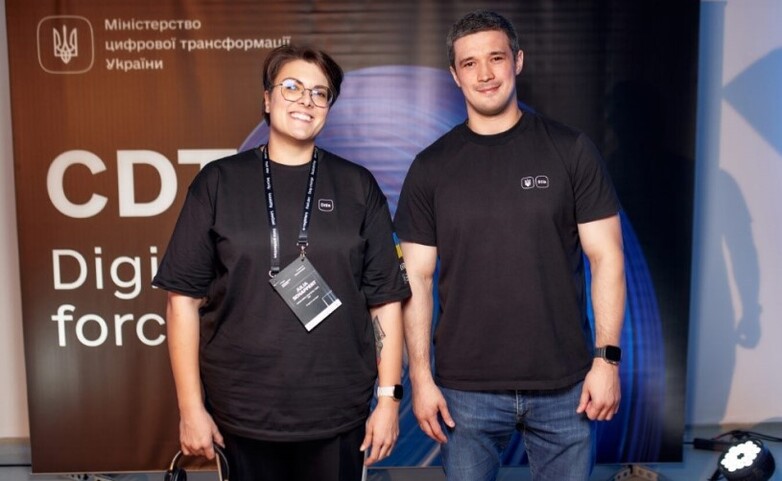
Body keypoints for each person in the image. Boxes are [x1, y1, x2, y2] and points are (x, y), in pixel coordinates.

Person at [153, 44, 410, 481]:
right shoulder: (218, 182)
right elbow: (182, 303)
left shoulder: (357, 186)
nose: (305, 101)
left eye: (319, 93)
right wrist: (190, 408)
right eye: (291, 87)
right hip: (242, 413)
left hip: (337, 412)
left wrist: (388, 399)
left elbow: (384, 301)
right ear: (267, 99)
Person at [394, 10, 626, 481]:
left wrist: (607, 360)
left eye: (496, 58)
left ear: (517, 61)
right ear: (455, 75)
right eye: (470, 63)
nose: (485, 74)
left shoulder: (570, 150)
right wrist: (419, 377)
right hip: (465, 393)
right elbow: (414, 278)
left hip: (566, 386)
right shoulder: (431, 167)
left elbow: (607, 258)